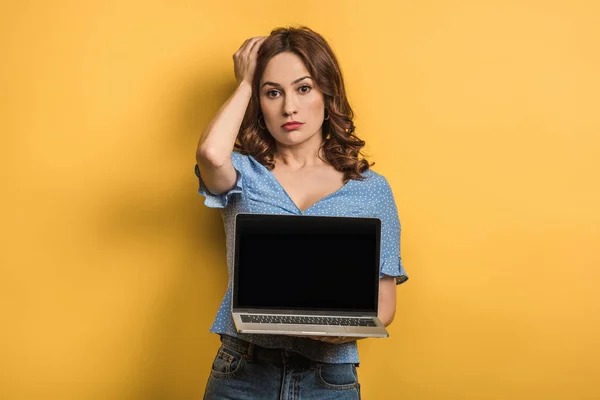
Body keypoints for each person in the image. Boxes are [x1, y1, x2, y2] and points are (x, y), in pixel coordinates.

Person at [195, 25, 408, 400]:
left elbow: (385, 304)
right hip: (241, 369)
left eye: (303, 88)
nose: (288, 107)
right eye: (272, 92)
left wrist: (332, 328)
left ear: (327, 93)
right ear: (258, 104)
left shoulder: (371, 189)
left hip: (328, 376)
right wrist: (245, 81)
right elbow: (211, 154)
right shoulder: (243, 172)